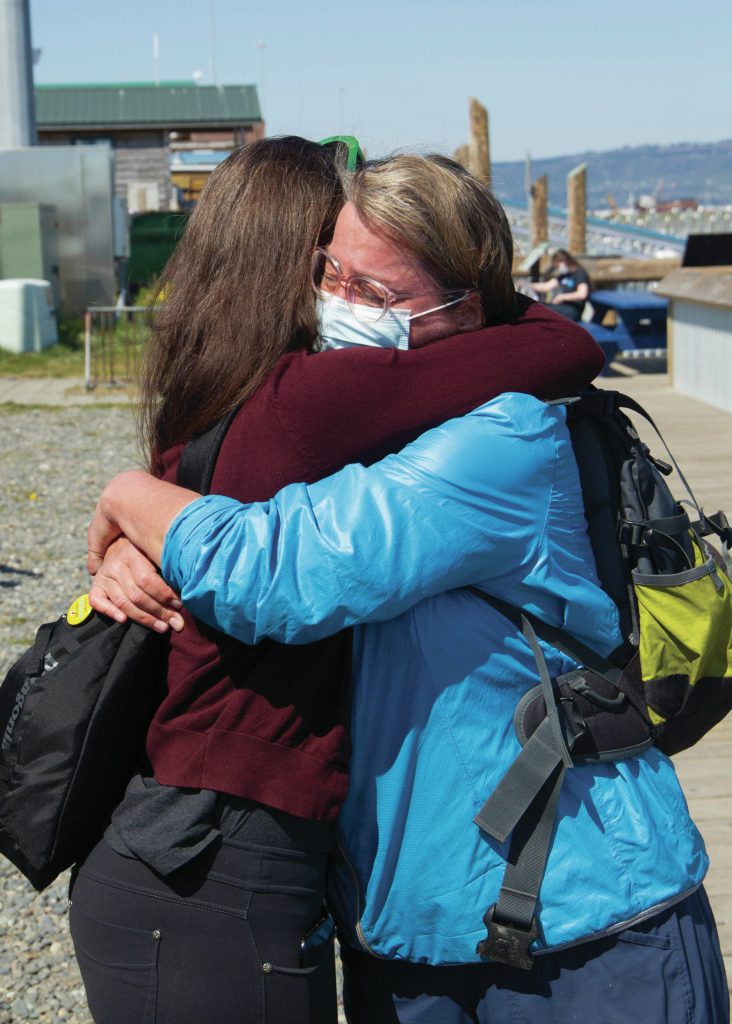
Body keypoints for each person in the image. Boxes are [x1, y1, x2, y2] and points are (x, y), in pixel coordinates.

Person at [88, 157, 727, 1024]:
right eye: (330, 274)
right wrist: (137, 545)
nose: (343, 304)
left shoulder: (498, 441)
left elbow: (284, 573)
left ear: (464, 314)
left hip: (582, 923)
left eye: (378, 293)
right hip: (417, 931)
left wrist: (128, 495)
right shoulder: (374, 416)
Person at [531, 248, 590, 321]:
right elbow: (547, 286)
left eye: (558, 266)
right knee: (538, 306)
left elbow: (582, 294)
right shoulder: (565, 275)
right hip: (561, 306)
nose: (558, 268)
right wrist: (529, 285)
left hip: (572, 309)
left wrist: (562, 297)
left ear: (565, 261)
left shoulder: (579, 273)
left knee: (543, 311)